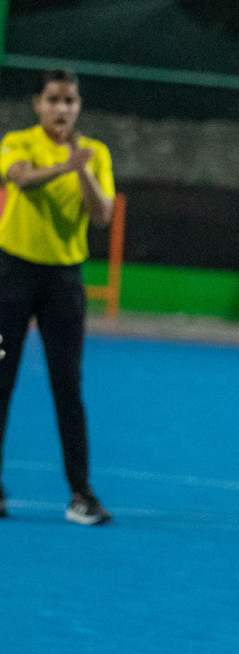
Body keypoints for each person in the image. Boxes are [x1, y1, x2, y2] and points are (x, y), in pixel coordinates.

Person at [0, 69, 115, 525]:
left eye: (69, 101)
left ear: (79, 106)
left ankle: (81, 495)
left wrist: (80, 165)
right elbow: (20, 181)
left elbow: (102, 214)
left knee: (68, 386)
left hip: (64, 282)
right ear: (38, 104)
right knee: (0, 379)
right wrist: (64, 165)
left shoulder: (95, 154)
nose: (61, 109)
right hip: (10, 275)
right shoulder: (19, 141)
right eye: (53, 100)